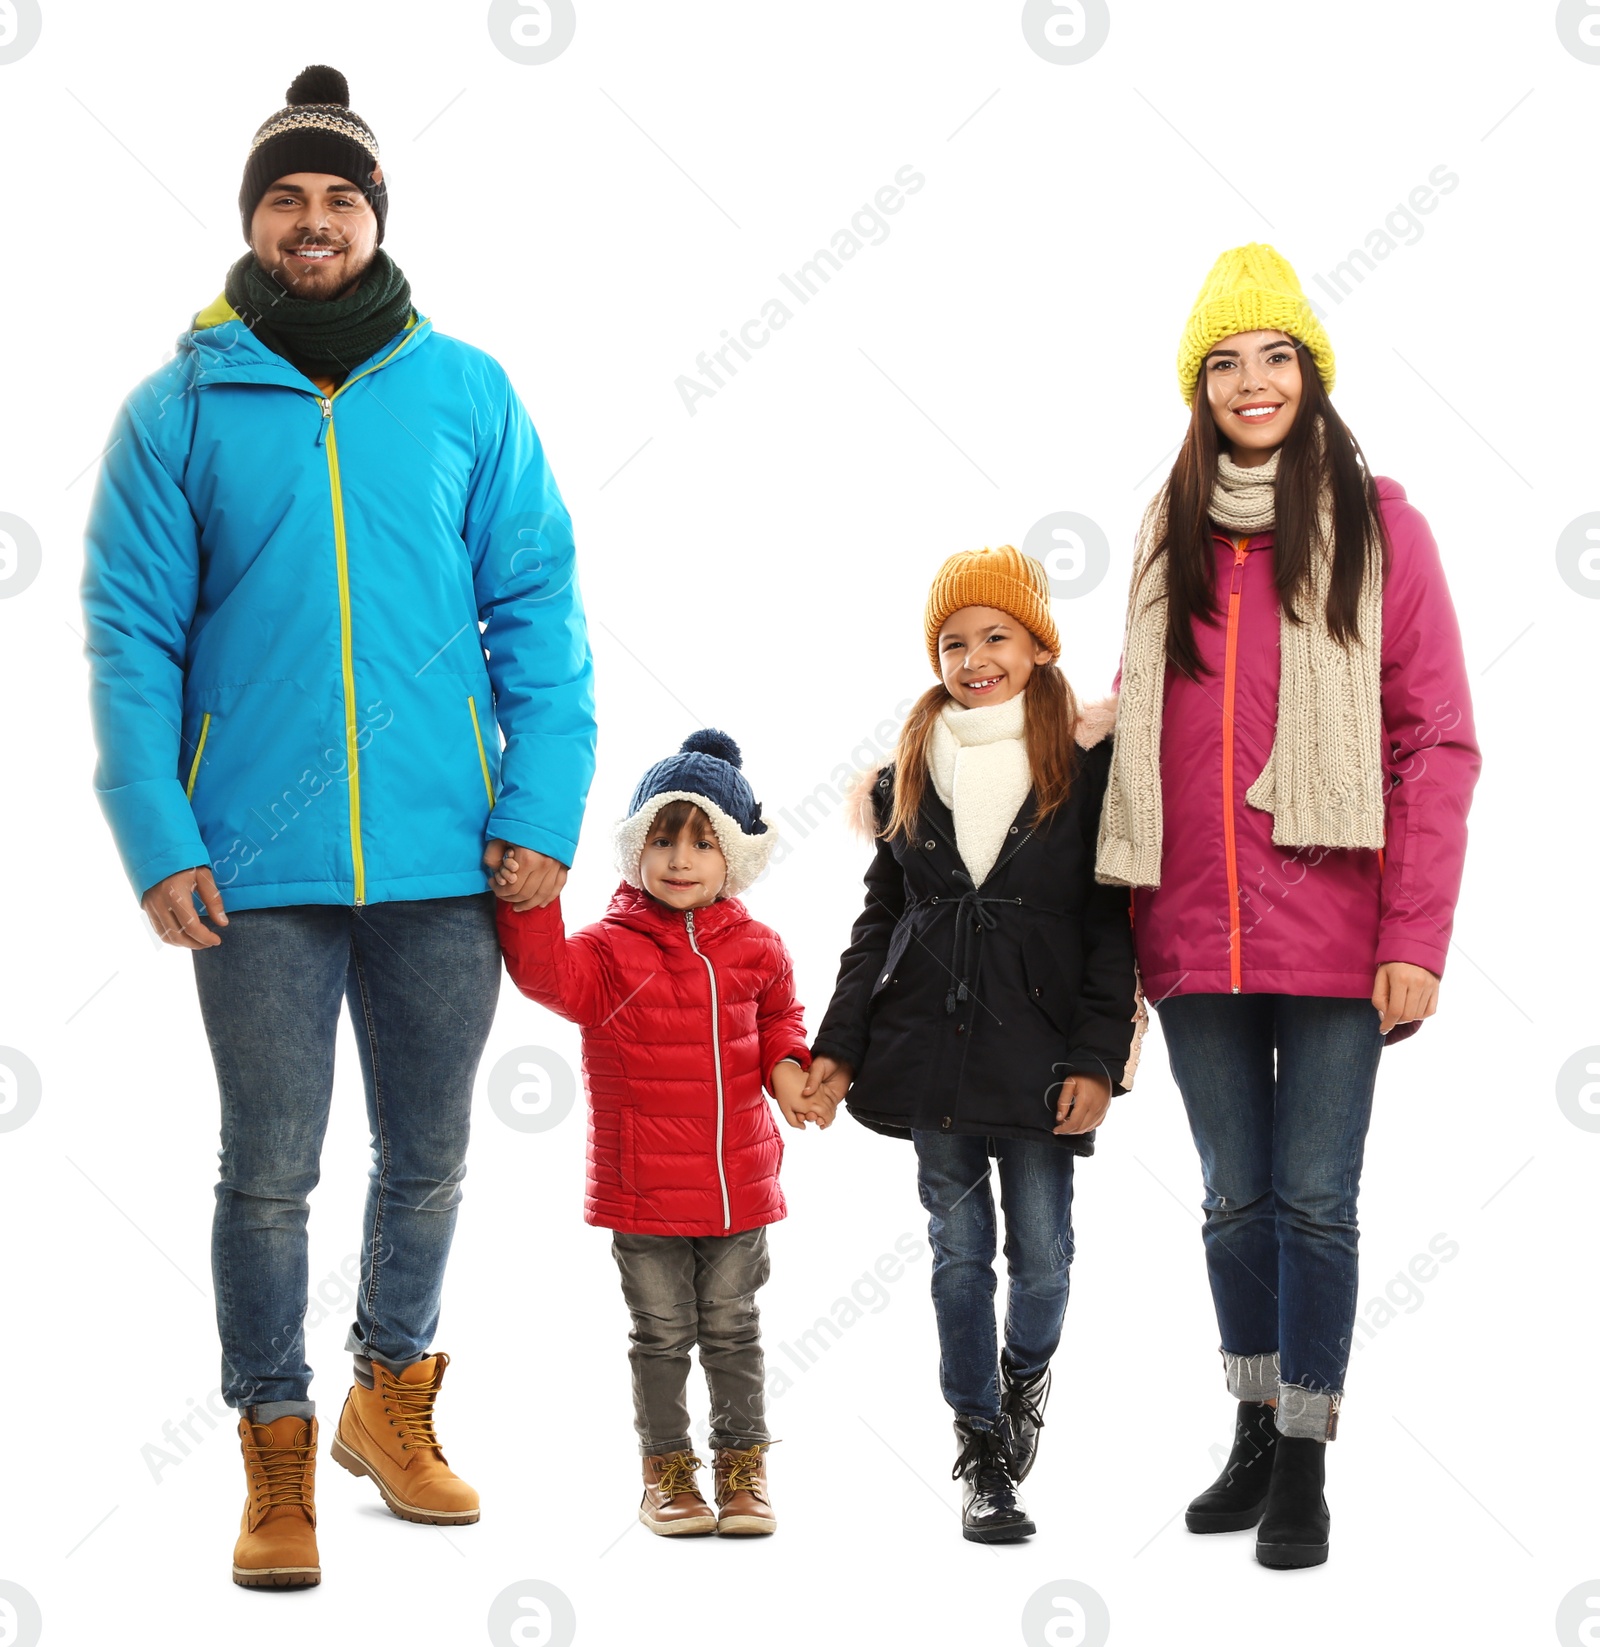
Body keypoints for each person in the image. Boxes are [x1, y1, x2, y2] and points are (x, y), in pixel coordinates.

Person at [81, 65, 595, 1590]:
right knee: (270, 1163)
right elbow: (126, 632)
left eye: (341, 199)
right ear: (253, 221)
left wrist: (542, 807)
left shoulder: (467, 392)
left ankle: (388, 1391)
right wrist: (157, 828)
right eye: (288, 201)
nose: (316, 223)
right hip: (251, 865)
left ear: (376, 220)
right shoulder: (177, 406)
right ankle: (278, 1441)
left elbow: (541, 613)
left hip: (450, 854)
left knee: (430, 1152)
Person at [1097, 243, 1480, 1569]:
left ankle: (1307, 1453)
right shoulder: (1168, 539)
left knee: (1315, 1196)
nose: (1250, 381)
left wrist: (1415, 938)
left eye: (1274, 357)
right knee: (1231, 1197)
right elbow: (1134, 724)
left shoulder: (1382, 528)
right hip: (1192, 930)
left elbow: (1433, 738)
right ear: (1197, 387)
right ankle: (1252, 1425)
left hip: (1336, 935)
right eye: (1223, 361)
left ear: (1311, 374)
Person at [804, 548, 1140, 1543]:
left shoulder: (1085, 766)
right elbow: (881, 921)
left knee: (1040, 1258)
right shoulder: (908, 766)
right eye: (952, 642)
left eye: (995, 635)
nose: (972, 656)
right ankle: (981, 1443)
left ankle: (1023, 1376)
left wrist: (1094, 1058)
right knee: (958, 1255)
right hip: (929, 1058)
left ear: (1040, 646)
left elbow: (1109, 923)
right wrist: (840, 1042)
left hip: (1040, 1059)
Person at [497, 730, 826, 1538]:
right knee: (662, 1334)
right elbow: (546, 976)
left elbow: (781, 1017)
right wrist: (530, 896)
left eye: (702, 841)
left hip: (737, 1185)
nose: (680, 859)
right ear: (636, 846)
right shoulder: (610, 950)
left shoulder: (757, 946)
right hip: (644, 1189)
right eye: (663, 838)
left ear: (735, 857)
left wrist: (789, 1066)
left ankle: (743, 1467)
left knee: (735, 1328)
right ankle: (667, 1473)